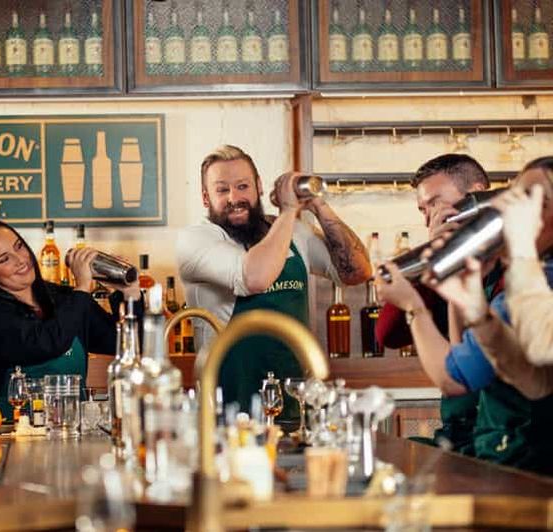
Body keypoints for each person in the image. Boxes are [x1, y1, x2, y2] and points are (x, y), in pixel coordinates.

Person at [380, 157, 553, 475]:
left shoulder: (531, 281)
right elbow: (528, 377)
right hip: (493, 441)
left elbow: (454, 377)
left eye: (529, 199)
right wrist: (461, 294)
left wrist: (415, 308)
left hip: (521, 454)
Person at [176, 145, 371, 412]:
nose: (234, 197)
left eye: (243, 186)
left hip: (296, 400)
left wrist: (318, 204)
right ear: (205, 198)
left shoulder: (294, 232)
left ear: (258, 187)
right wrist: (288, 210)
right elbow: (255, 277)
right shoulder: (196, 240)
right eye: (222, 190)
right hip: (228, 409)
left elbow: (358, 272)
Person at [374, 154, 497, 455]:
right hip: (458, 431)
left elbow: (466, 367)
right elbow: (388, 335)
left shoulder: (512, 267)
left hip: (500, 435)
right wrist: (433, 255)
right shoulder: (446, 267)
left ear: (475, 195)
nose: (428, 218)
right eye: (423, 209)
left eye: (435, 203)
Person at [0, 219, 141, 418]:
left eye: (19, 246)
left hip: (71, 428)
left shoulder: (64, 299)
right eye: (4, 259)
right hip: (18, 431)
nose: (20, 260)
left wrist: (129, 294)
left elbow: (125, 344)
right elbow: (48, 342)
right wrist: (82, 287)